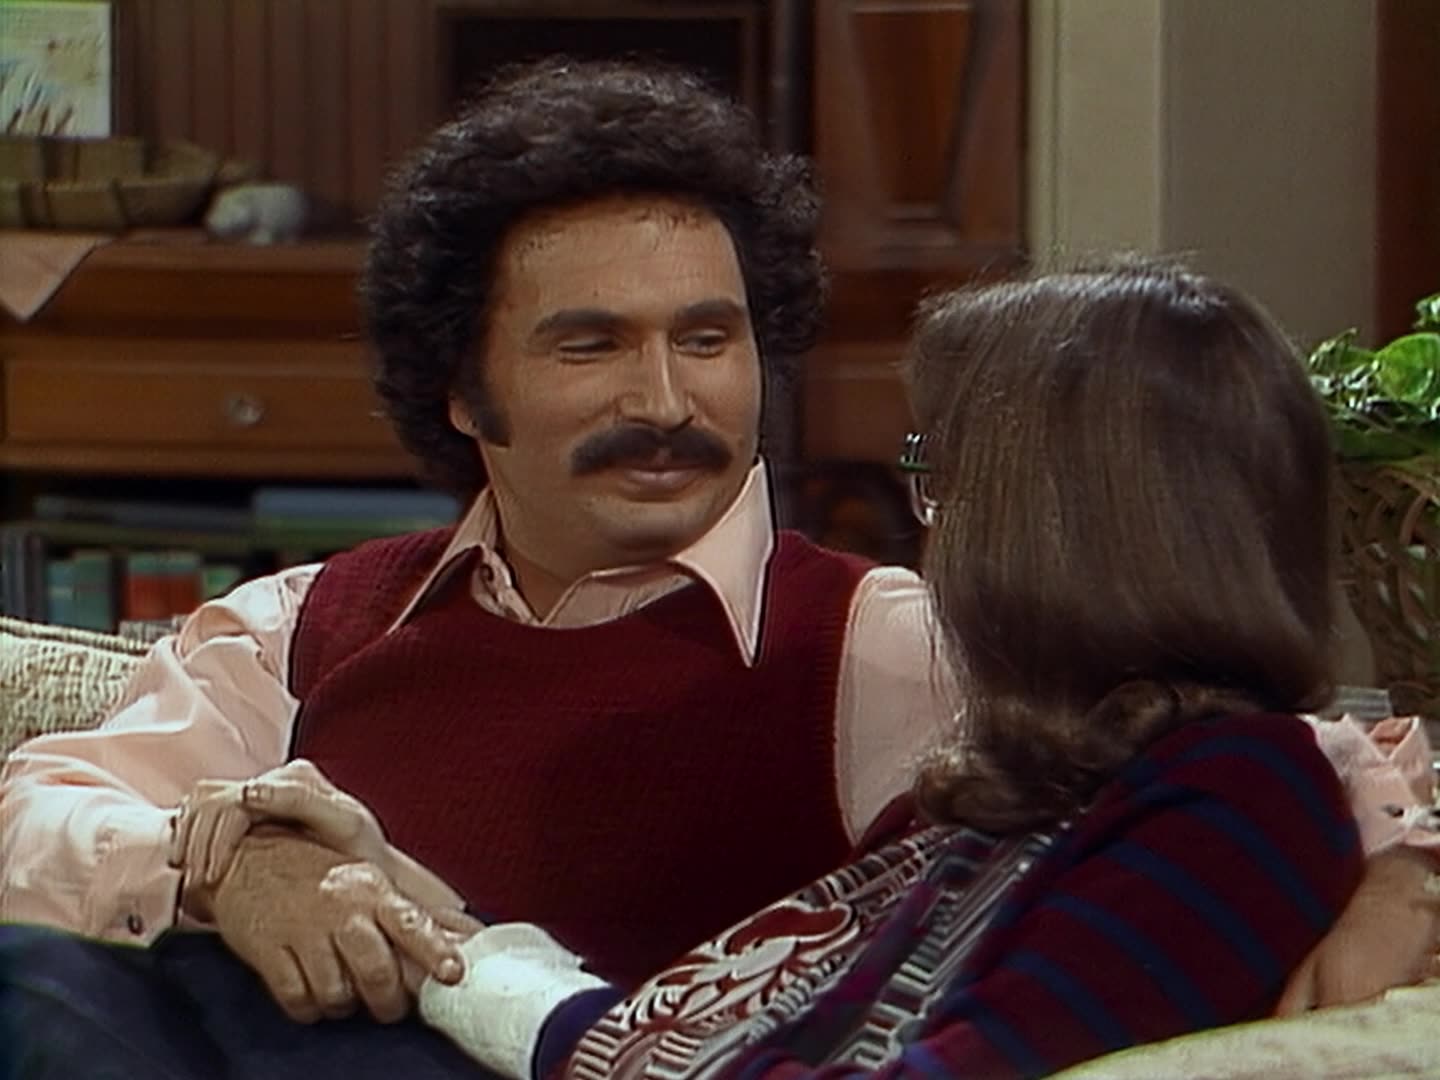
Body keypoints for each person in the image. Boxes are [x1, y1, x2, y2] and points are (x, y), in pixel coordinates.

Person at [0, 59, 1434, 1075]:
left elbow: (1242, 734)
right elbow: (34, 813)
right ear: (461, 389)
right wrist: (224, 870)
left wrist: (1409, 872)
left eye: (708, 339)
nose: (667, 401)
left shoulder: (898, 639)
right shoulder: (305, 623)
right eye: (591, 346)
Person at [388, 259, 1434, 1077]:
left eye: (945, 474)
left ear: (1056, 526)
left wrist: (516, 998)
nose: (934, 528)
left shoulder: (1235, 798)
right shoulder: (1064, 778)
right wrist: (438, 934)